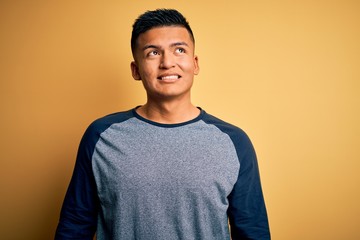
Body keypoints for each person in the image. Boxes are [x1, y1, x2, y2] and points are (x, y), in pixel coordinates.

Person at [55, 8, 270, 240]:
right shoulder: (101, 136)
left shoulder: (234, 142)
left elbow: (253, 231)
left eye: (179, 50)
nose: (167, 63)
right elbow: (75, 226)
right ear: (136, 70)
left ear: (195, 64)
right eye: (153, 53)